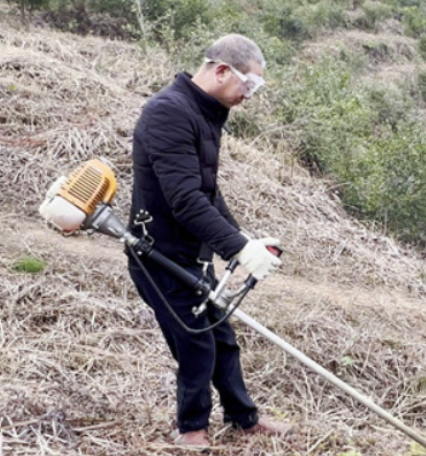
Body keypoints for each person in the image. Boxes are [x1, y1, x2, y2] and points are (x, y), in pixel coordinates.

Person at [126, 34, 291, 448]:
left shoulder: (205, 113)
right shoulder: (168, 112)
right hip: (158, 253)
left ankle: (243, 418)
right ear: (221, 71)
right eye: (248, 86)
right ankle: (191, 429)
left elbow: (206, 193)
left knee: (221, 337)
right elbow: (183, 201)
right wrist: (237, 248)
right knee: (195, 341)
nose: (249, 96)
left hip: (190, 250)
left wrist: (241, 241)